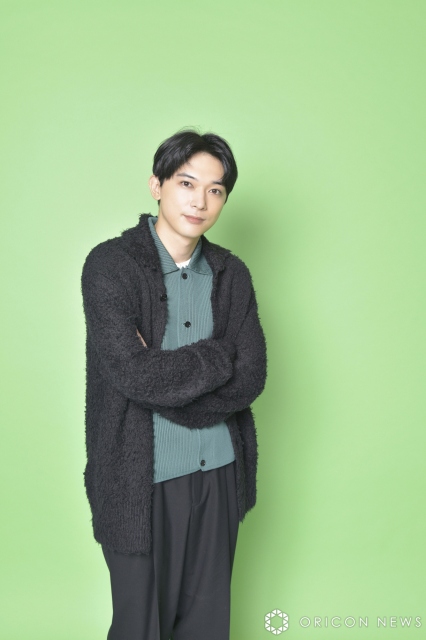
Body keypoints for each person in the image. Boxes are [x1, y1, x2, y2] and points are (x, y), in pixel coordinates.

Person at [81, 127, 268, 640]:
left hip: (220, 474)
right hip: (139, 481)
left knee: (207, 628)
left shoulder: (232, 274)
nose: (200, 201)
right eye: (187, 183)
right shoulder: (110, 266)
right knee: (140, 627)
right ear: (156, 185)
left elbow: (251, 375)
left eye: (215, 190)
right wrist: (219, 356)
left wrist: (164, 377)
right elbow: (132, 372)